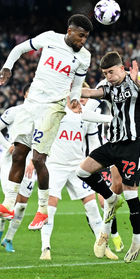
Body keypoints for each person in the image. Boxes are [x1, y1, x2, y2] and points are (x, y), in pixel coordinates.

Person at [0, 14, 93, 231]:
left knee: (39, 159)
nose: (83, 41)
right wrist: (8, 66)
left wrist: (73, 99)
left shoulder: (84, 56)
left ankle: (42, 210)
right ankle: (8, 204)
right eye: (80, 36)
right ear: (69, 31)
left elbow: (78, 85)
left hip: (53, 107)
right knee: (18, 154)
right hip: (31, 103)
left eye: (86, 38)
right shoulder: (50, 37)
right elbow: (19, 48)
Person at [75, 52, 140, 263]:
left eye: (111, 72)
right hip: (112, 144)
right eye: (105, 73)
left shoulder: (138, 82)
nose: (108, 76)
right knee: (82, 171)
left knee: (131, 195)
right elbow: (91, 92)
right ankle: (111, 198)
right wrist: (70, 86)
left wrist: (137, 80)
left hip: (133, 145)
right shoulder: (108, 88)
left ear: (122, 68)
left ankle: (137, 238)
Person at [40, 83, 120, 260]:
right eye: (80, 96)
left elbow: (92, 145)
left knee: (92, 207)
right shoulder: (58, 112)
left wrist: (96, 165)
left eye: (86, 97)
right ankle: (45, 248)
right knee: (50, 205)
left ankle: (103, 246)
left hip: (77, 167)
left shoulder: (87, 118)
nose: (83, 100)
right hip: (56, 166)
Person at [0, 84, 35, 252]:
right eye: (31, 91)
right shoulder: (14, 112)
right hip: (11, 162)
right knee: (11, 201)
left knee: (21, 205)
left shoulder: (42, 115)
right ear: (25, 94)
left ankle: (9, 239)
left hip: (31, 162)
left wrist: (35, 161)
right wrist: (8, 145)